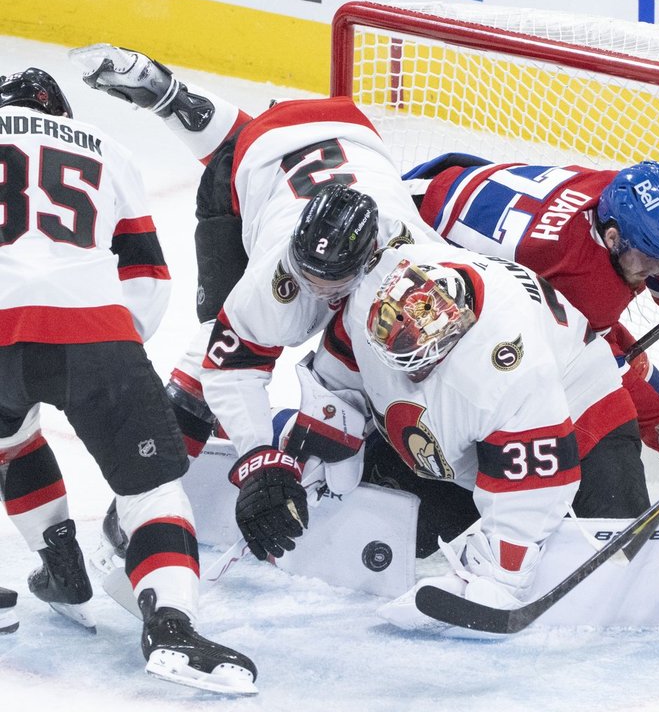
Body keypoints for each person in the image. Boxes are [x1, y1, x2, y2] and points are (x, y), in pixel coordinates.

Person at [71, 44, 447, 561]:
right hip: (277, 164)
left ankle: (172, 97)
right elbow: (228, 365)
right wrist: (257, 457)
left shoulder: (419, 260)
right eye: (305, 277)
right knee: (210, 346)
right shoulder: (276, 270)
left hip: (330, 137)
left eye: (329, 285)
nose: (313, 292)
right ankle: (142, 501)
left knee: (391, 356)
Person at [0, 68, 257, 694]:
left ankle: (61, 566)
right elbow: (147, 279)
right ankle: (172, 625)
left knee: (11, 440)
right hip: (98, 334)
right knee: (153, 489)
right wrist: (113, 355)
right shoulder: (104, 147)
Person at [308, 240, 659, 620]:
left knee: (616, 567)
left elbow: (542, 480)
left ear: (454, 332)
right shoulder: (379, 295)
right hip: (475, 442)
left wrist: (499, 574)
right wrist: (303, 454)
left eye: (419, 364)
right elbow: (337, 376)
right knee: (382, 539)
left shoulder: (502, 367)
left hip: (583, 413)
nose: (411, 374)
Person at [408, 154, 659, 508]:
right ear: (612, 239)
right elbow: (599, 374)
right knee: (563, 378)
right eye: (648, 261)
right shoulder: (578, 273)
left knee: (613, 348)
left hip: (459, 188)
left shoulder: (624, 207)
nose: (658, 270)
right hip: (423, 239)